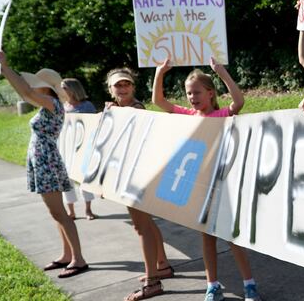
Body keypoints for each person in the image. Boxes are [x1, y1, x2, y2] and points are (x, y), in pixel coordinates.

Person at [152, 57, 260, 301]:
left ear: (210, 93)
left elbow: (239, 102)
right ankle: (212, 285)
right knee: (207, 238)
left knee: (233, 238)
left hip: (224, 186)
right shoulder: (187, 115)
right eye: (189, 93)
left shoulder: (222, 115)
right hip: (200, 188)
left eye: (197, 92)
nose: (192, 97)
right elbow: (158, 101)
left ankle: (249, 284)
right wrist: (160, 72)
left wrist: (222, 73)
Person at [0, 51, 89, 278]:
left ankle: (79, 259)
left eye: (36, 84)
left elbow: (25, 92)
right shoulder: (47, 104)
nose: (32, 87)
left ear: (45, 87)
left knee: (60, 213)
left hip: (47, 162)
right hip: (43, 162)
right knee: (56, 213)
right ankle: (67, 255)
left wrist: (5, 68)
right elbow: (26, 92)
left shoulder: (51, 102)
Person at [105, 68, 173, 301]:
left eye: (126, 85)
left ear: (133, 87)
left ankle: (152, 281)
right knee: (146, 223)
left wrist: (112, 115)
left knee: (141, 227)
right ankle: (161, 264)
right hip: (126, 174)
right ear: (110, 89)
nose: (122, 89)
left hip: (138, 175)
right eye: (118, 86)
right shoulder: (116, 109)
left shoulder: (136, 109)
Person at [60, 78, 98, 220]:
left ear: (72, 89)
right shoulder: (61, 106)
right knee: (66, 181)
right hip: (65, 148)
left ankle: (88, 210)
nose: (61, 90)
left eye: (64, 87)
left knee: (84, 180)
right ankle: (71, 212)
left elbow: (94, 125)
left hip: (83, 148)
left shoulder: (87, 106)